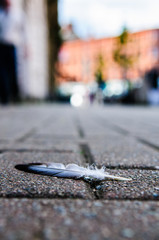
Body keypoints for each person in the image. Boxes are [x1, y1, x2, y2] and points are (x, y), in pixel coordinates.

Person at [0, 0, 26, 104]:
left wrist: (26, 47)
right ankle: (4, 96)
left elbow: (24, 32)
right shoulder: (1, 14)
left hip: (12, 46)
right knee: (2, 72)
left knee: (13, 71)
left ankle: (14, 95)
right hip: (1, 46)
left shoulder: (18, 15)